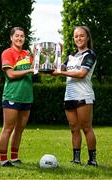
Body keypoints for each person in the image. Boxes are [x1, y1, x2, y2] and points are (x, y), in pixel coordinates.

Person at [52, 26, 98, 166]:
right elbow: (57, 67)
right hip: (69, 96)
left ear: (87, 38)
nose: (79, 38)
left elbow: (81, 74)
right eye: (76, 36)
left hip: (83, 96)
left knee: (86, 128)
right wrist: (58, 53)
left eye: (82, 36)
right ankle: (76, 159)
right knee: (74, 129)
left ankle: (92, 160)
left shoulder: (89, 55)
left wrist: (61, 73)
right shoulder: (71, 56)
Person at [0, 27, 34, 167]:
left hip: (27, 96)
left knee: (19, 129)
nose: (19, 38)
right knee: (8, 128)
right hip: (12, 95)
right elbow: (11, 74)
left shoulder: (28, 54)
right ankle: (3, 160)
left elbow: (37, 69)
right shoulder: (7, 53)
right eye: (17, 36)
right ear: (11, 38)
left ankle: (14, 157)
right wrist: (30, 70)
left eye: (22, 36)